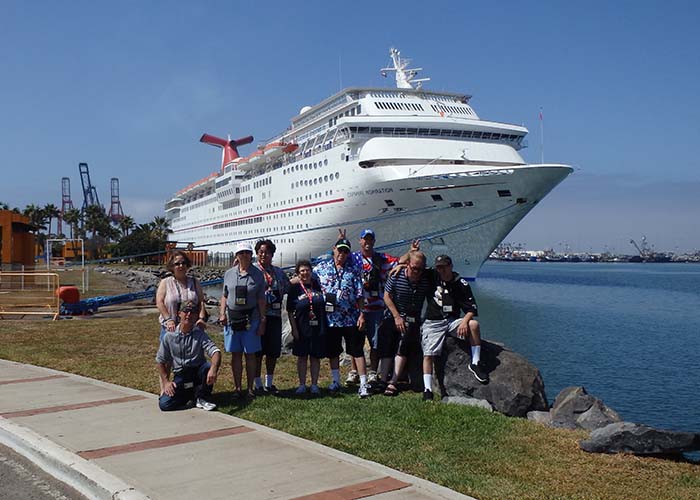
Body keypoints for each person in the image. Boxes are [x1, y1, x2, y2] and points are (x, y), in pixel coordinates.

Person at [420, 255, 488, 401]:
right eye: (439, 267)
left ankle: (475, 362)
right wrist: (404, 260)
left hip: (452, 320)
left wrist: (464, 322)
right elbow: (412, 265)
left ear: (451, 266)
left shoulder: (460, 283)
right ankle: (427, 389)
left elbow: (472, 308)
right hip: (433, 321)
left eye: (444, 267)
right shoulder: (432, 276)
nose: (441, 270)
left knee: (473, 324)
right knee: (428, 354)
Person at [313, 237, 369, 398]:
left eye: (345, 251)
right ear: (334, 249)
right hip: (330, 319)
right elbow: (306, 278)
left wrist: (362, 314)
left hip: (350, 317)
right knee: (333, 351)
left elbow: (360, 294)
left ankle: (363, 384)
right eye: (340, 250)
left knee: (356, 350)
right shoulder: (321, 268)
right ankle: (336, 381)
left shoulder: (353, 270)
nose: (342, 254)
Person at [346, 228, 400, 386]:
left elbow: (398, 260)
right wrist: (340, 242)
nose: (367, 242)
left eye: (370, 239)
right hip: (357, 308)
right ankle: (354, 371)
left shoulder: (381, 258)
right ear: (360, 241)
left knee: (375, 342)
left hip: (376, 308)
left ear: (374, 241)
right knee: (356, 342)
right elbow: (336, 258)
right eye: (365, 239)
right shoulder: (353, 257)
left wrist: (408, 256)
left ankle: (372, 372)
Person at [380, 250, 431, 396]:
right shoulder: (395, 275)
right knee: (387, 344)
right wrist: (397, 316)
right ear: (407, 265)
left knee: (403, 346)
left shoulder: (425, 277)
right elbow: (387, 296)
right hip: (393, 315)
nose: (417, 272)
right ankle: (383, 379)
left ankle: (393, 382)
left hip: (413, 319)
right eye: (414, 268)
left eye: (420, 269)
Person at [219, 242, 266, 399]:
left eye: (247, 252)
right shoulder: (229, 274)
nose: (244, 255)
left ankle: (250, 388)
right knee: (236, 354)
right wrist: (222, 314)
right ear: (236, 256)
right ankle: (237, 388)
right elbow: (225, 296)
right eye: (241, 253)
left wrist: (262, 320)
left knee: (250, 354)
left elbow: (261, 299)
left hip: (250, 319)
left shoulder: (258, 274)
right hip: (233, 318)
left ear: (251, 255)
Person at [156, 300, 221, 411]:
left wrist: (214, 369)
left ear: (196, 316)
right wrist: (166, 382)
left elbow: (215, 351)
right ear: (179, 313)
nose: (189, 315)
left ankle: (202, 396)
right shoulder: (169, 336)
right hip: (181, 374)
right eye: (186, 311)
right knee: (165, 404)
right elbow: (160, 360)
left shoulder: (200, 334)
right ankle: (190, 395)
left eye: (192, 312)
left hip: (197, 372)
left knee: (207, 367)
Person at [253, 239, 290, 395]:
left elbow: (288, 285)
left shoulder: (278, 272)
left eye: (267, 252)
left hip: (274, 316)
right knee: (257, 352)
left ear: (272, 254)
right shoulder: (253, 271)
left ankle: (269, 382)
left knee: (273, 351)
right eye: (261, 252)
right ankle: (257, 383)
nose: (263, 255)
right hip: (257, 317)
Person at [287, 260, 327, 396]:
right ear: (298, 274)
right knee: (302, 356)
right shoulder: (294, 289)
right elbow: (290, 311)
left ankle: (314, 384)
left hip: (317, 326)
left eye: (307, 270)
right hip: (301, 327)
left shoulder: (318, 286)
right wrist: (294, 329)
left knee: (315, 356)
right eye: (302, 271)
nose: (305, 273)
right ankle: (302, 384)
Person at [156, 251, 207, 340]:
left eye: (183, 263)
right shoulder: (165, 282)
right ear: (172, 266)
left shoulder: (194, 282)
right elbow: (159, 302)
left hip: (191, 329)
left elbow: (201, 302)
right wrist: (168, 320)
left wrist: (201, 318)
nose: (181, 266)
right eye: (177, 264)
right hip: (170, 329)